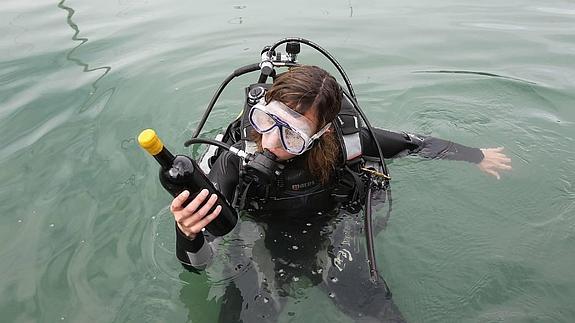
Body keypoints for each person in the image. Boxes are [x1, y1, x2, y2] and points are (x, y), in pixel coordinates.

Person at [170, 65, 511, 322]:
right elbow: (199, 264)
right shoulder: (234, 162)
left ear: (321, 133)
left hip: (330, 233)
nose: (271, 142)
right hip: (259, 240)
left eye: (293, 136)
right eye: (266, 121)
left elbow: (413, 144)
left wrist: (476, 155)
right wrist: (186, 232)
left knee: (379, 312)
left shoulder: (346, 144)